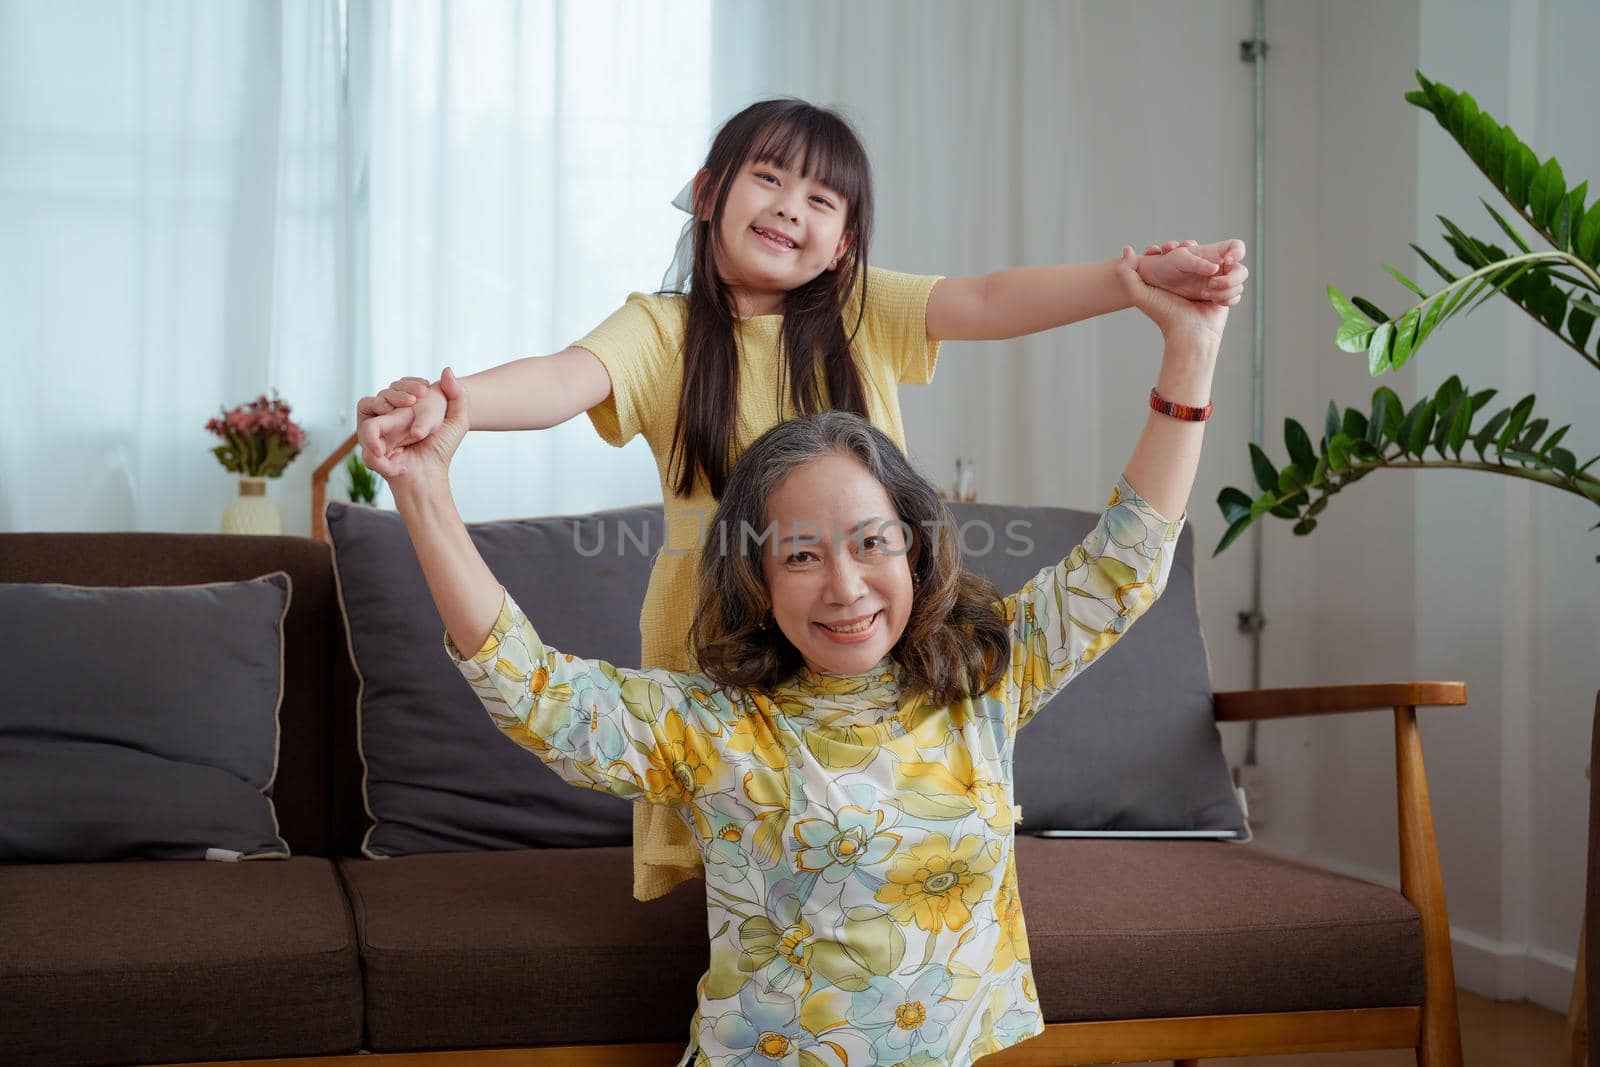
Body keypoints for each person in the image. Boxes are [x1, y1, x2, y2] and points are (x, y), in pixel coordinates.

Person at [356, 97, 1246, 901]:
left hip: (862, 637)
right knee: (758, 846)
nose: (790, 205)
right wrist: (453, 402)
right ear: (707, 192)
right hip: (722, 635)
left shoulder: (861, 311)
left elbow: (985, 297)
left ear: (848, 241)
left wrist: (1127, 285)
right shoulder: (664, 330)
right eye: (769, 178)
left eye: (823, 199)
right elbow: (560, 379)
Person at [378, 240, 1228, 1066]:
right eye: (801, 555)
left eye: (870, 543)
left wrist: (1190, 344)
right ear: (760, 581)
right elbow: (533, 690)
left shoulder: (982, 677)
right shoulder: (715, 727)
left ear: (915, 548)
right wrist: (422, 490)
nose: (846, 586)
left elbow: (1125, 563)